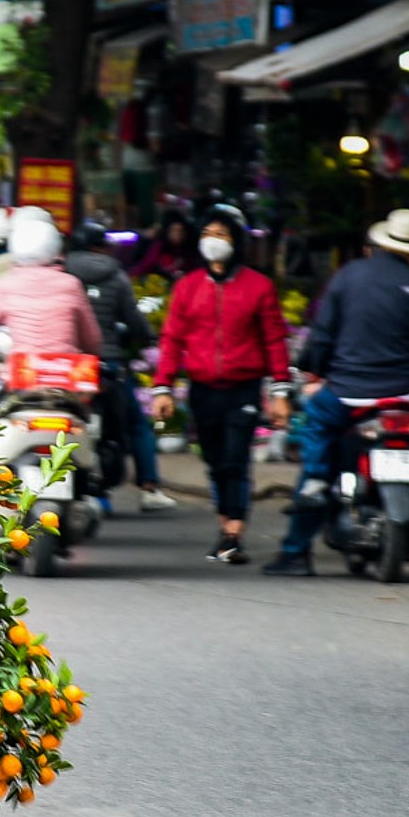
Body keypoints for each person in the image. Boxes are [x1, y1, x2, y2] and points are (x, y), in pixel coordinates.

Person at [263, 209, 409, 580]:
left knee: (316, 439)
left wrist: (315, 372)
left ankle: (296, 552)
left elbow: (322, 338)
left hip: (348, 395)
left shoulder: (345, 278)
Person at [149, 206, 291, 564]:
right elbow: (171, 339)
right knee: (214, 460)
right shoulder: (187, 288)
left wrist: (280, 393)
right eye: (208, 234)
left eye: (222, 235)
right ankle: (225, 526)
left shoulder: (259, 287)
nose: (213, 242)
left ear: (236, 241)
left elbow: (275, 340)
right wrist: (162, 387)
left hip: (243, 387)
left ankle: (233, 532)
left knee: (235, 458)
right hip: (203, 388)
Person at [63, 220, 176, 512]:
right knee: (137, 424)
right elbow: (134, 319)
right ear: (101, 246)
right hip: (107, 363)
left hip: (68, 365)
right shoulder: (116, 275)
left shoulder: (60, 272)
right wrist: (146, 338)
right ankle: (150, 488)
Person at [0, 214, 104, 357]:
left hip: (22, 374)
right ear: (56, 248)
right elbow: (93, 342)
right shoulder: (71, 285)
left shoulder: (6, 286)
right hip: (65, 374)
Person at [130, 209, 194, 281]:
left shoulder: (189, 249)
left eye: (180, 231)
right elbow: (144, 266)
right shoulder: (159, 247)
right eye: (173, 231)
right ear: (167, 231)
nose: (177, 234)